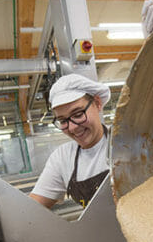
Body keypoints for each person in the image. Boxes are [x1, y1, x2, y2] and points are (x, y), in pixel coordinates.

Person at [30, 74, 111, 209]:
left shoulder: (126, 141)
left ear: (97, 103)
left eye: (78, 114)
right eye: (63, 121)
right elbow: (31, 209)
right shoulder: (62, 157)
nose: (73, 127)